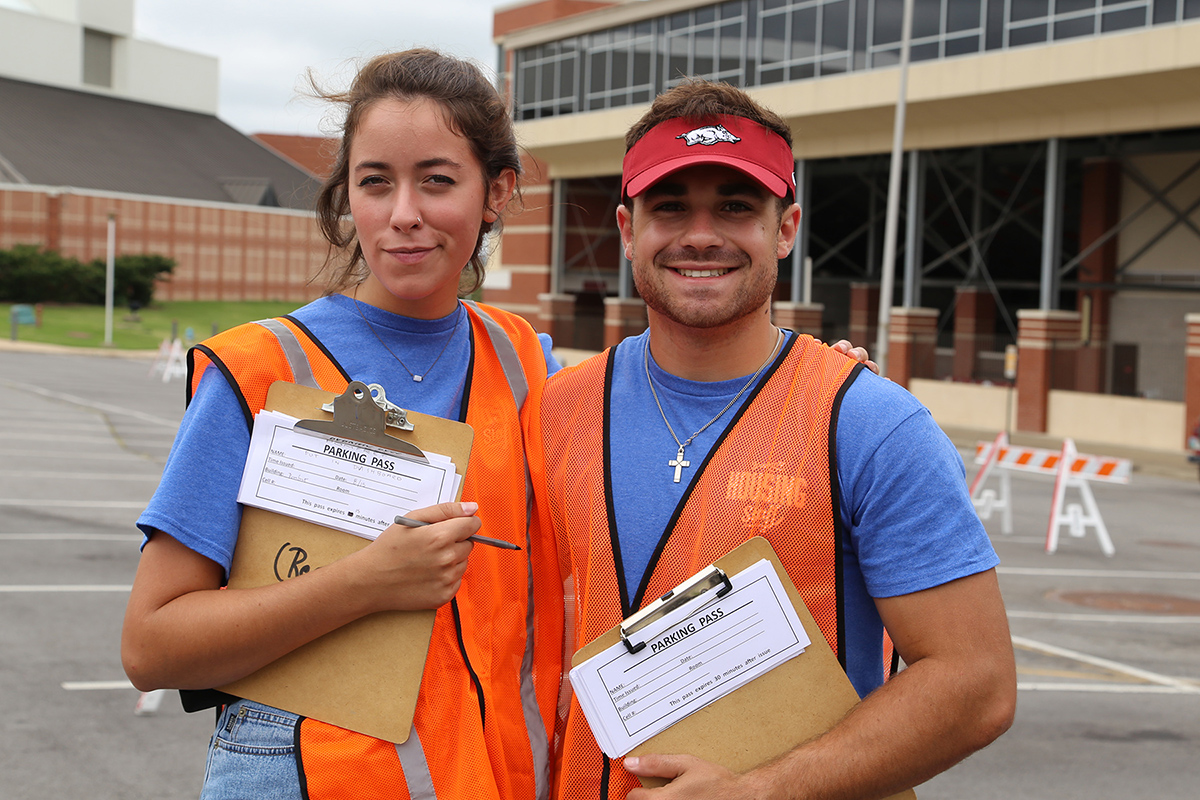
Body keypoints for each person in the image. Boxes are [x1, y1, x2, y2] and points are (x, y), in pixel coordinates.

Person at [534, 80, 1017, 800]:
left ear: (786, 227)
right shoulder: (555, 408)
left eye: (735, 206)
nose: (702, 234)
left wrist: (757, 791)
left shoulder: (870, 424)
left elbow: (977, 684)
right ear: (628, 230)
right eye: (670, 207)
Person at [121, 49, 564, 800]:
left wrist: (827, 388)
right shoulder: (263, 369)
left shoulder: (529, 364)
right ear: (346, 195)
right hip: (299, 779)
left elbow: (678, 449)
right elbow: (150, 645)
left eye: (437, 180)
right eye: (375, 182)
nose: (403, 215)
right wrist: (364, 582)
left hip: (492, 778)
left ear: (498, 191)